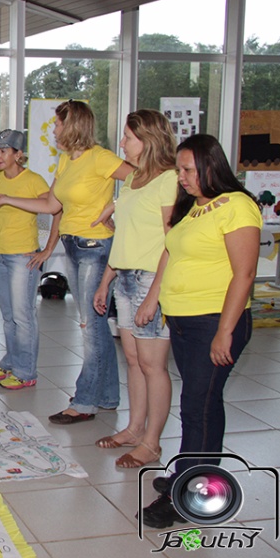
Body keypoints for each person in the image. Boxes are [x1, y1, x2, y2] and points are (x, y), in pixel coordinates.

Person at [141, 134, 261, 529]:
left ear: (212, 166)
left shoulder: (238, 206)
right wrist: (154, 299)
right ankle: (191, 477)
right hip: (186, 322)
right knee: (200, 405)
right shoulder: (195, 208)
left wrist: (224, 332)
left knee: (199, 407)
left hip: (214, 322)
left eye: (189, 169)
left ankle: (190, 495)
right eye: (180, 170)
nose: (183, 177)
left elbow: (243, 274)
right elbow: (173, 254)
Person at [0, 100, 132, 422]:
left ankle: (84, 402)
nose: (54, 130)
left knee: (88, 328)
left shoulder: (101, 158)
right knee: (95, 325)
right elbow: (53, 205)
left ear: (73, 125)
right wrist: (8, 199)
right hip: (73, 247)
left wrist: (115, 207)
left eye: (58, 124)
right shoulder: (67, 161)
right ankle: (108, 395)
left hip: (96, 247)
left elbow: (142, 178)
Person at [91, 110, 177, 469]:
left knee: (152, 364)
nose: (122, 143)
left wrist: (155, 293)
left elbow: (174, 242)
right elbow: (124, 234)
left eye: (127, 137)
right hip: (125, 277)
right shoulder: (134, 180)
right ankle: (133, 428)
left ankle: (152, 443)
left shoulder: (170, 179)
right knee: (133, 360)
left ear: (148, 139)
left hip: (150, 280)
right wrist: (106, 279)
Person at [0, 129, 49, 389]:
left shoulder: (34, 180)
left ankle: (26, 371)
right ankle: (11, 362)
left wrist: (10, 200)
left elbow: (48, 205)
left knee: (23, 316)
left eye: (3, 151)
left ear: (18, 155)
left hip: (23, 256)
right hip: (0, 253)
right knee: (9, 315)